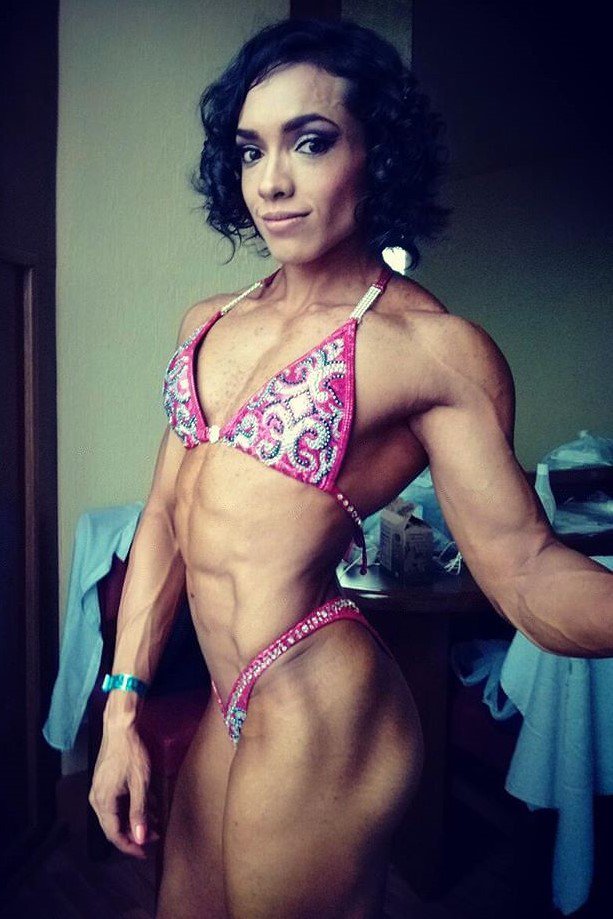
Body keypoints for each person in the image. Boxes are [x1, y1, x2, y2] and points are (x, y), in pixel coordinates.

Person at [89, 17, 613, 919]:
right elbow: (167, 515)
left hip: (322, 701)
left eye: (311, 141)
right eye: (251, 150)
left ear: (379, 155)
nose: (272, 181)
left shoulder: (430, 348)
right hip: (228, 692)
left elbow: (526, 571)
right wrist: (121, 707)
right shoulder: (207, 322)